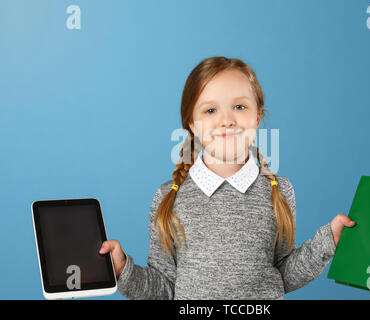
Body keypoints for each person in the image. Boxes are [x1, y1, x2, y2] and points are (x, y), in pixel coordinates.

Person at [99, 56, 356, 300]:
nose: (227, 120)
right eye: (210, 110)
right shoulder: (168, 197)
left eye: (239, 106)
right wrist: (123, 270)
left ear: (257, 116)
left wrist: (327, 241)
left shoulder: (279, 190)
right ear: (192, 123)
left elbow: (281, 274)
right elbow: (165, 288)